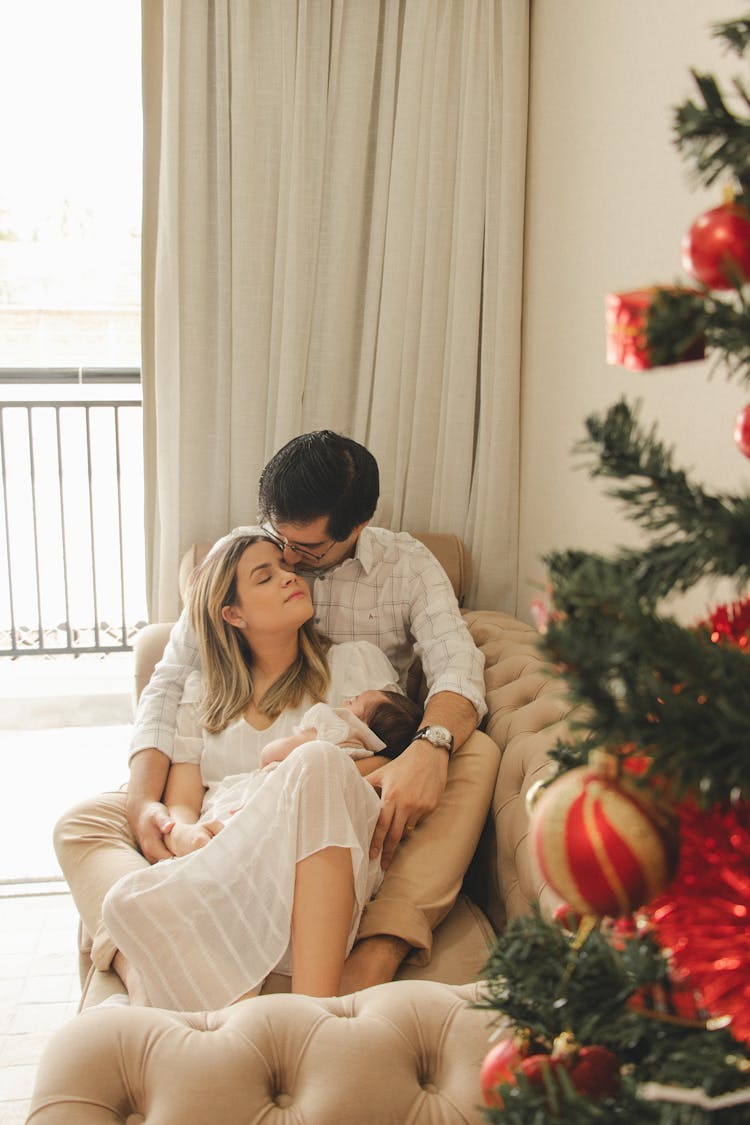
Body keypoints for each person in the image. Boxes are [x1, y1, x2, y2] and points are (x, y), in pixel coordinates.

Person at [55, 431, 497, 994]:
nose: (289, 564)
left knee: (471, 751)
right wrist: (152, 811)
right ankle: (143, 965)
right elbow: (170, 685)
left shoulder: (401, 581)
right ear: (232, 613)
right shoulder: (237, 564)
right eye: (274, 544)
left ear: (356, 527)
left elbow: (457, 668)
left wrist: (425, 749)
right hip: (234, 803)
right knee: (84, 821)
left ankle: (378, 947)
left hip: (355, 775)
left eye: (304, 552)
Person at [102, 531, 419, 1011]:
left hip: (317, 853)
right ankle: (166, 977)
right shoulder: (201, 689)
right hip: (229, 848)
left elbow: (392, 751)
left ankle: (310, 1015)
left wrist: (296, 782)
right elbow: (184, 794)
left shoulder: (354, 663)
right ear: (234, 614)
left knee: (314, 760)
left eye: (285, 567)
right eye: (265, 576)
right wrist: (183, 832)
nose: (290, 576)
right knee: (103, 863)